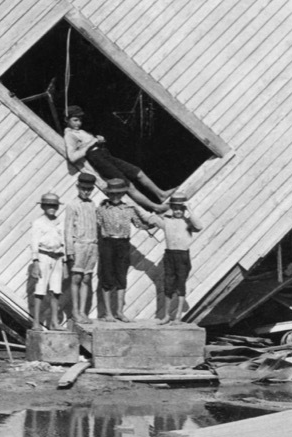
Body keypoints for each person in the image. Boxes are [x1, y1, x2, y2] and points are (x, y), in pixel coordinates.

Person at [62, 105, 171, 213]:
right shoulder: (69, 135)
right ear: (67, 120)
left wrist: (99, 141)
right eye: (75, 120)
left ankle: (161, 194)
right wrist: (92, 143)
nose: (78, 123)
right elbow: (72, 157)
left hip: (104, 155)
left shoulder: (80, 131)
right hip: (98, 160)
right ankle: (155, 207)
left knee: (137, 172)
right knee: (128, 185)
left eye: (80, 120)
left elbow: (91, 143)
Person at [95, 178, 158, 322]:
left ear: (122, 194)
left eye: (118, 194)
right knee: (107, 277)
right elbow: (95, 226)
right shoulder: (101, 209)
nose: (115, 197)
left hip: (123, 243)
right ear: (108, 194)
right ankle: (107, 313)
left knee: (121, 276)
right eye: (112, 194)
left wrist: (154, 223)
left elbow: (139, 224)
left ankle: (119, 312)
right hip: (107, 243)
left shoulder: (129, 209)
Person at [154, 193, 202, 323]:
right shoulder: (167, 221)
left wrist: (190, 210)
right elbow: (151, 219)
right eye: (175, 208)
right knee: (168, 285)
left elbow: (199, 226)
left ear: (184, 209)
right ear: (172, 208)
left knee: (181, 285)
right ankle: (167, 315)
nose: (178, 211)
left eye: (181, 209)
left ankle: (178, 316)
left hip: (183, 256)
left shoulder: (188, 223)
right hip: (170, 255)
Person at [63, 171, 99, 323]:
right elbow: (68, 229)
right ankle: (75, 311)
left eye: (89, 189)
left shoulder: (92, 205)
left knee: (87, 278)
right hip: (79, 245)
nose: (86, 192)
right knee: (76, 278)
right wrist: (69, 251)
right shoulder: (72, 205)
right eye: (83, 188)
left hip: (92, 245)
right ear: (78, 187)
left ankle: (84, 311)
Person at [29, 191, 67, 329]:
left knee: (56, 290)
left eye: (54, 206)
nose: (52, 208)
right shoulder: (38, 223)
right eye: (48, 205)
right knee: (40, 290)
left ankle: (54, 322)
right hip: (43, 257)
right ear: (43, 207)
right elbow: (34, 243)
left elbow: (63, 242)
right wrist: (35, 263)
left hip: (57, 258)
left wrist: (64, 262)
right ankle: (36, 322)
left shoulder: (60, 222)